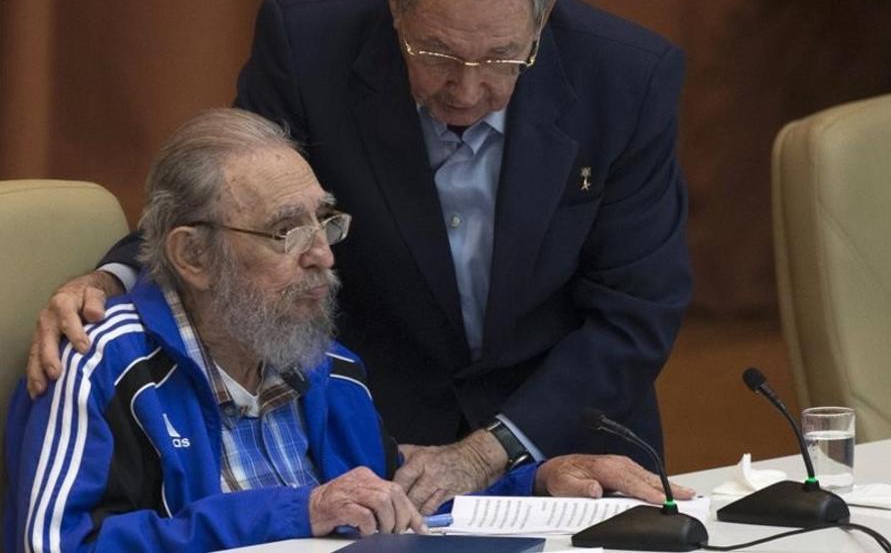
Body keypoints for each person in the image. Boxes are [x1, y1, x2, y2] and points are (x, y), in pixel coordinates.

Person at [27, 0, 691, 513]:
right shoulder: (309, 41)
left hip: (563, 444)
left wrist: (502, 450)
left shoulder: (627, 78)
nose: (466, 87)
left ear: (544, 14)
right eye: (435, 51)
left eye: (499, 58)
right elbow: (229, 196)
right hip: (379, 449)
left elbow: (636, 310)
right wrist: (112, 275)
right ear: (395, 4)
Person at [4, 109, 690, 553]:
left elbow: (395, 501)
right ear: (192, 255)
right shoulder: (102, 364)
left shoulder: (326, 364)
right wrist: (293, 511)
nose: (323, 254)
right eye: (284, 230)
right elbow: (53, 546)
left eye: (323, 221)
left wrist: (541, 480)